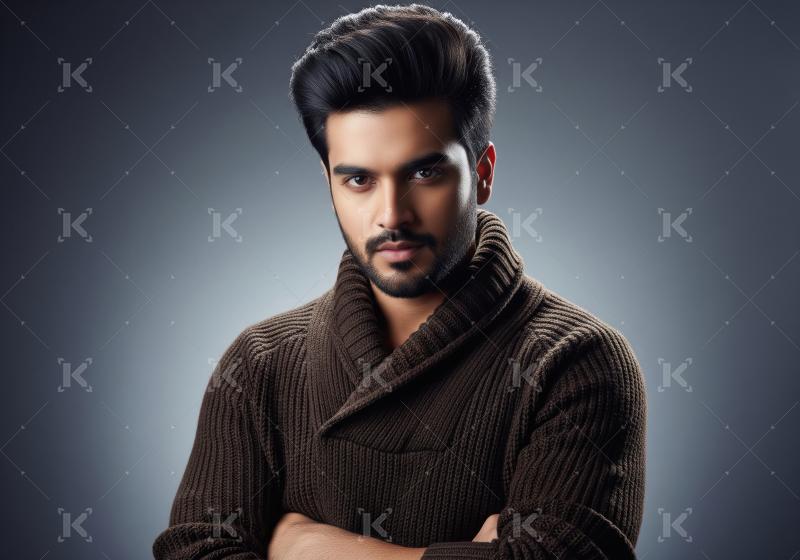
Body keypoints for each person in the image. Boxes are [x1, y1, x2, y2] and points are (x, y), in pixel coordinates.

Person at [153, 4, 647, 559]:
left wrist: (312, 549)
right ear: (330, 184)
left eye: (424, 172)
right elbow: (194, 551)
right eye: (360, 179)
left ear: (481, 174)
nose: (392, 213)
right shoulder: (260, 363)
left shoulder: (575, 360)